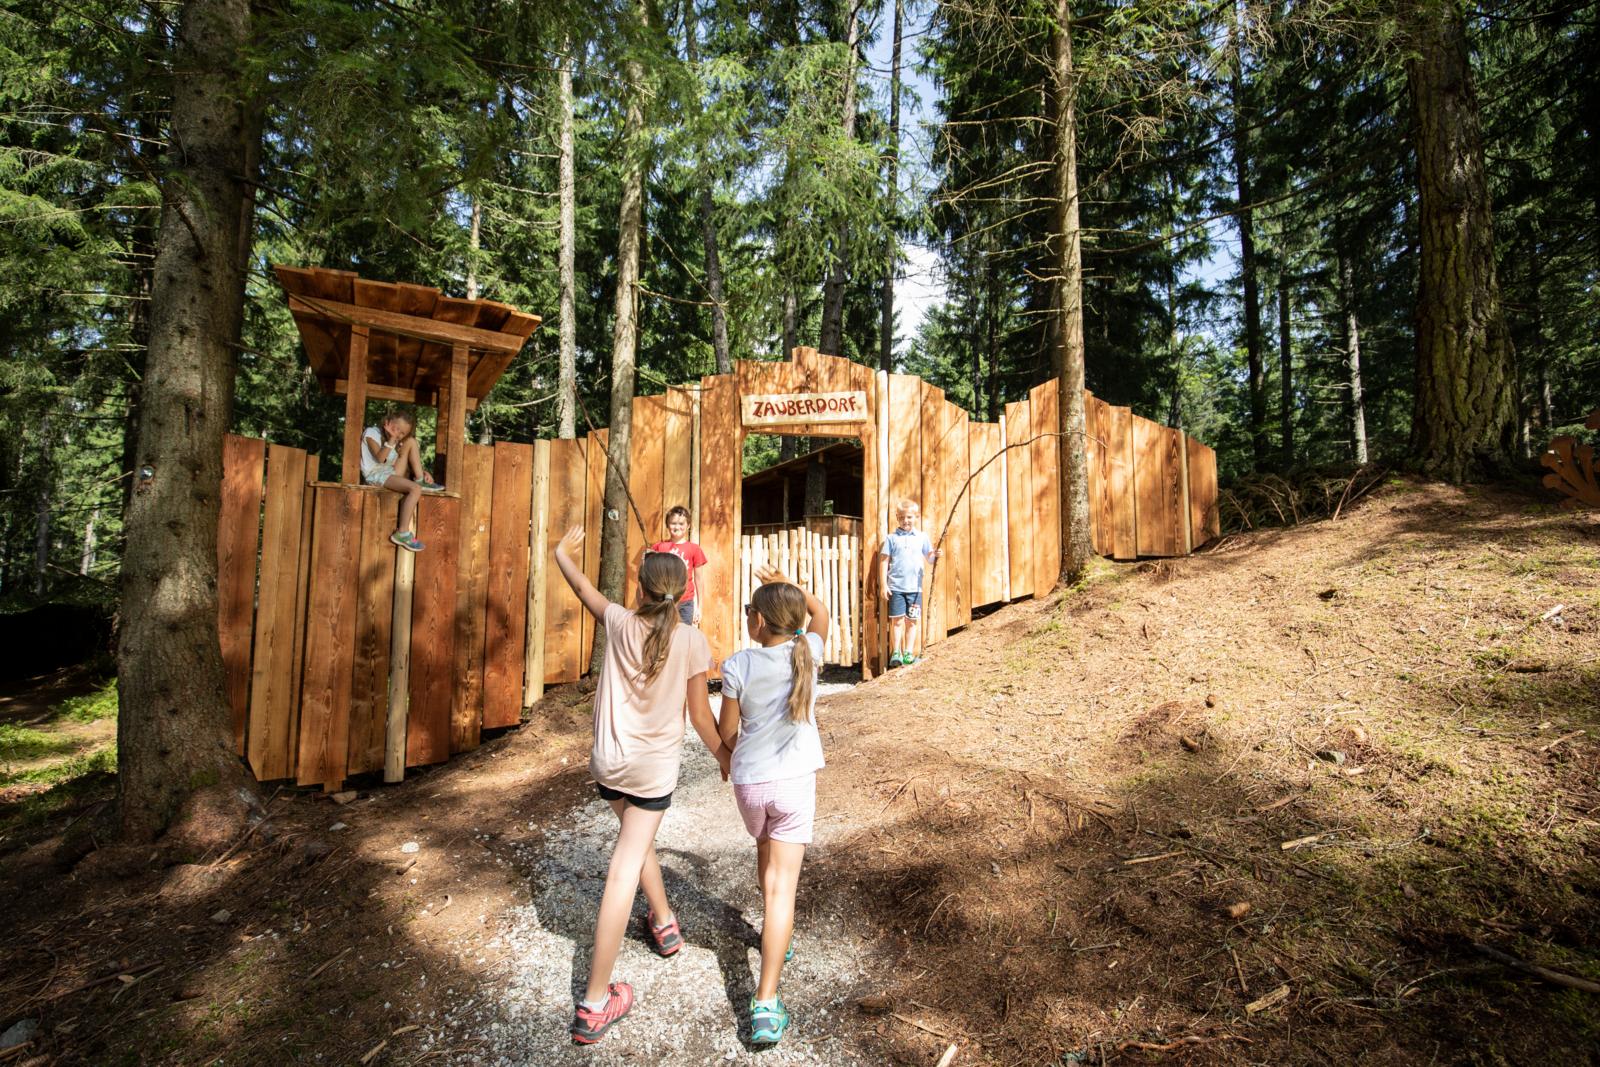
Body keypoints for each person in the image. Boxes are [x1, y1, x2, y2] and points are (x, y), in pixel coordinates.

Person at [552, 527, 731, 1046]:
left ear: (641, 587)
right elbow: (701, 715)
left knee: (636, 838)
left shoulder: (618, 620)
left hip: (609, 765)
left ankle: (665, 920)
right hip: (651, 771)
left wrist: (562, 552)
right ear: (683, 589)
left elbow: (584, 589)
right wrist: (723, 755)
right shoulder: (692, 639)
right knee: (624, 865)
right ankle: (594, 1002)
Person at [716, 565, 828, 1045]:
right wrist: (792, 586)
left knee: (764, 855)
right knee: (783, 889)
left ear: (759, 622)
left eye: (748, 612)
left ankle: (771, 937)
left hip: (751, 785)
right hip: (794, 782)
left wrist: (727, 755)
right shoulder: (809, 652)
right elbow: (819, 612)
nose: (746, 618)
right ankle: (765, 1003)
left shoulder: (738, 665)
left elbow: (726, 731)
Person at [359, 407, 444, 553]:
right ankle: (402, 533)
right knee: (415, 490)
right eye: (396, 429)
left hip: (389, 473)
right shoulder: (372, 433)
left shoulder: (394, 441)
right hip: (375, 475)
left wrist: (422, 472)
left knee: (410, 442)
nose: (398, 434)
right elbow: (380, 458)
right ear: (387, 422)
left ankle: (419, 479)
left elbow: (397, 463)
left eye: (402, 433)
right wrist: (392, 439)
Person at [879, 499, 939, 666]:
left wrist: (936, 554)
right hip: (896, 588)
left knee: (911, 621)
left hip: (915, 589)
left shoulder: (922, 537)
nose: (906, 520)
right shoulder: (891, 539)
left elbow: (930, 558)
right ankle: (896, 652)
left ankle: (908, 653)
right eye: (903, 517)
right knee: (897, 620)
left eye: (910, 517)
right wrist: (884, 584)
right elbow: (884, 561)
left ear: (916, 517)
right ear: (897, 518)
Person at [649, 505, 708, 626]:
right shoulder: (658, 547)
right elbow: (649, 574)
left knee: (683, 637)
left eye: (681, 524)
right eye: (673, 523)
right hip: (662, 601)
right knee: (662, 636)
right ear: (667, 525)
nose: (677, 527)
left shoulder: (694, 549)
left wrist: (699, 607)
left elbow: (699, 579)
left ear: (688, 526)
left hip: (685, 602)